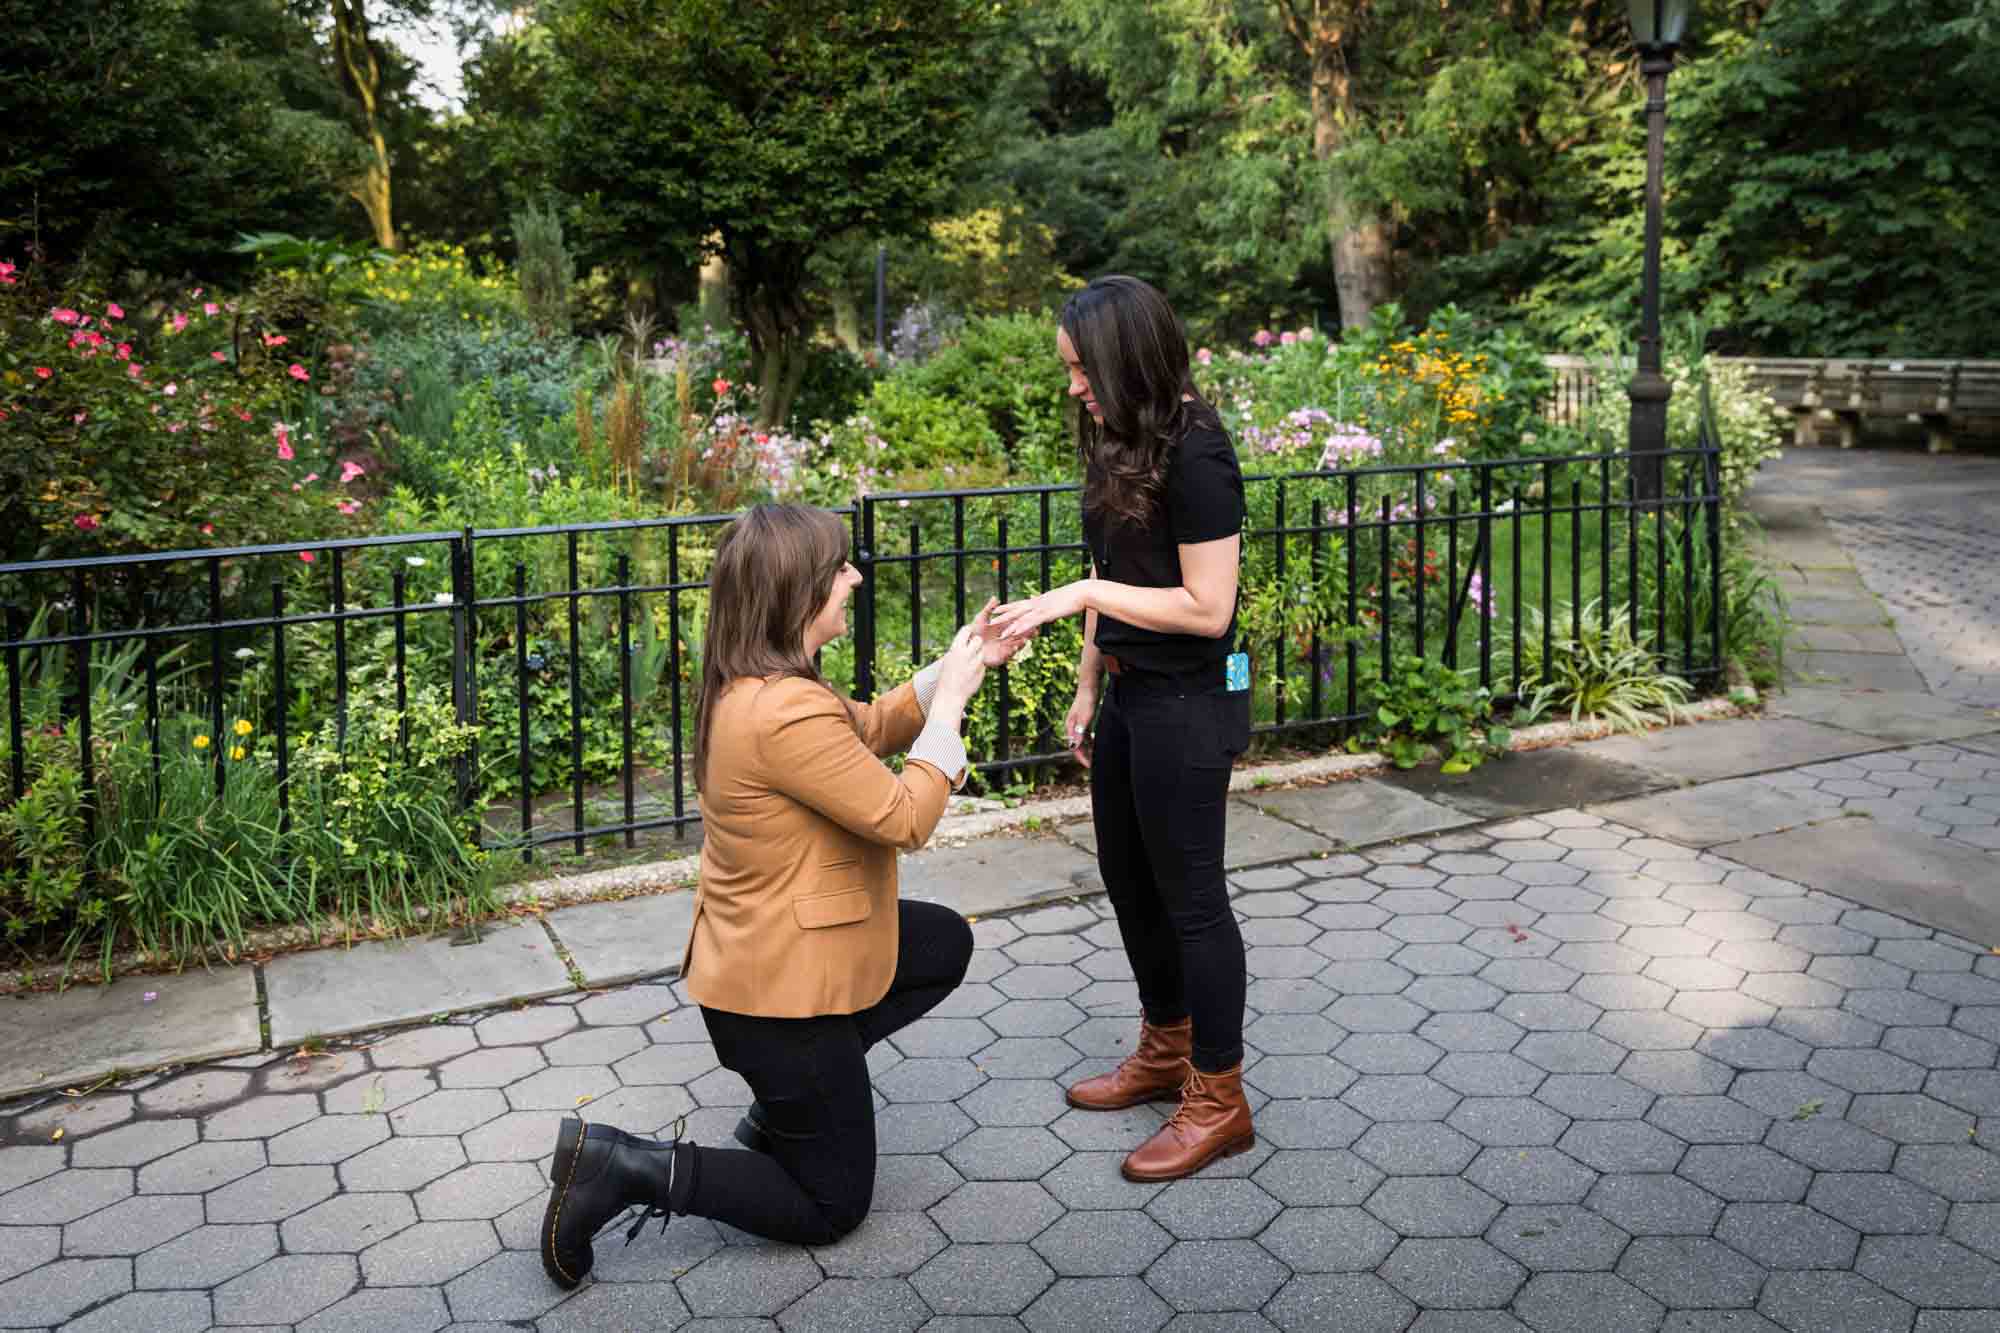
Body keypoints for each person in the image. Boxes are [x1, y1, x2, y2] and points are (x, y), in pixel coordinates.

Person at [540, 503, 1023, 1287]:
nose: (854, 577)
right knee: (831, 1205)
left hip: (779, 961)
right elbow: (905, 816)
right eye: (840, 568)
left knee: (941, 943)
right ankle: (625, 1166)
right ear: (799, 594)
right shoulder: (781, 710)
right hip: (776, 1002)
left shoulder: (767, 687)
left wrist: (960, 660)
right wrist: (956, 707)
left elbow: (866, 728)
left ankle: (789, 1106)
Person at [986, 274, 1252, 1182]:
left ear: (1125, 358)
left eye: (1081, 369)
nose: (1073, 388)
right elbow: (1112, 561)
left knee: (1193, 899)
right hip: (1134, 692)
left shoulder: (1200, 451)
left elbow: (1209, 607)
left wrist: (1083, 597)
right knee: (1128, 879)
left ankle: (1219, 1097)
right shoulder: (1116, 437)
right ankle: (1166, 1047)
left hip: (1193, 697)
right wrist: (1088, 680)